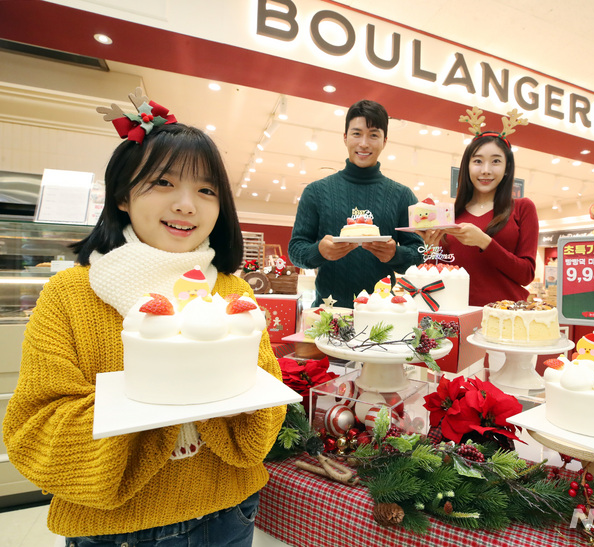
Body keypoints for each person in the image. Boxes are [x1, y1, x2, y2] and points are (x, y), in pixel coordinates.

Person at [2, 92, 285, 547]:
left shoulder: (233, 293)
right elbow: (35, 429)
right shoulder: (70, 295)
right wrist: (163, 395)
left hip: (229, 513)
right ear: (122, 196)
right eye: (163, 182)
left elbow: (265, 412)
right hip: (115, 530)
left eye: (207, 190)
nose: (187, 205)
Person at [288, 99, 424, 308]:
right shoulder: (315, 192)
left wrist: (396, 255)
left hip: (382, 315)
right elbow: (296, 250)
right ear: (345, 137)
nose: (364, 143)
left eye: (373, 135)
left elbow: (420, 253)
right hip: (327, 315)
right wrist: (319, 251)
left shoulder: (402, 196)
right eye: (357, 133)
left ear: (384, 141)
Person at [421, 113, 539, 307]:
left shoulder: (523, 208)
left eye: (496, 161)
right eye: (477, 161)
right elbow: (435, 273)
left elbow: (526, 275)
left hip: (505, 316)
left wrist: (485, 242)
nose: (486, 170)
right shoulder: (450, 214)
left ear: (507, 168)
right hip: (456, 313)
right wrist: (430, 248)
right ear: (467, 166)